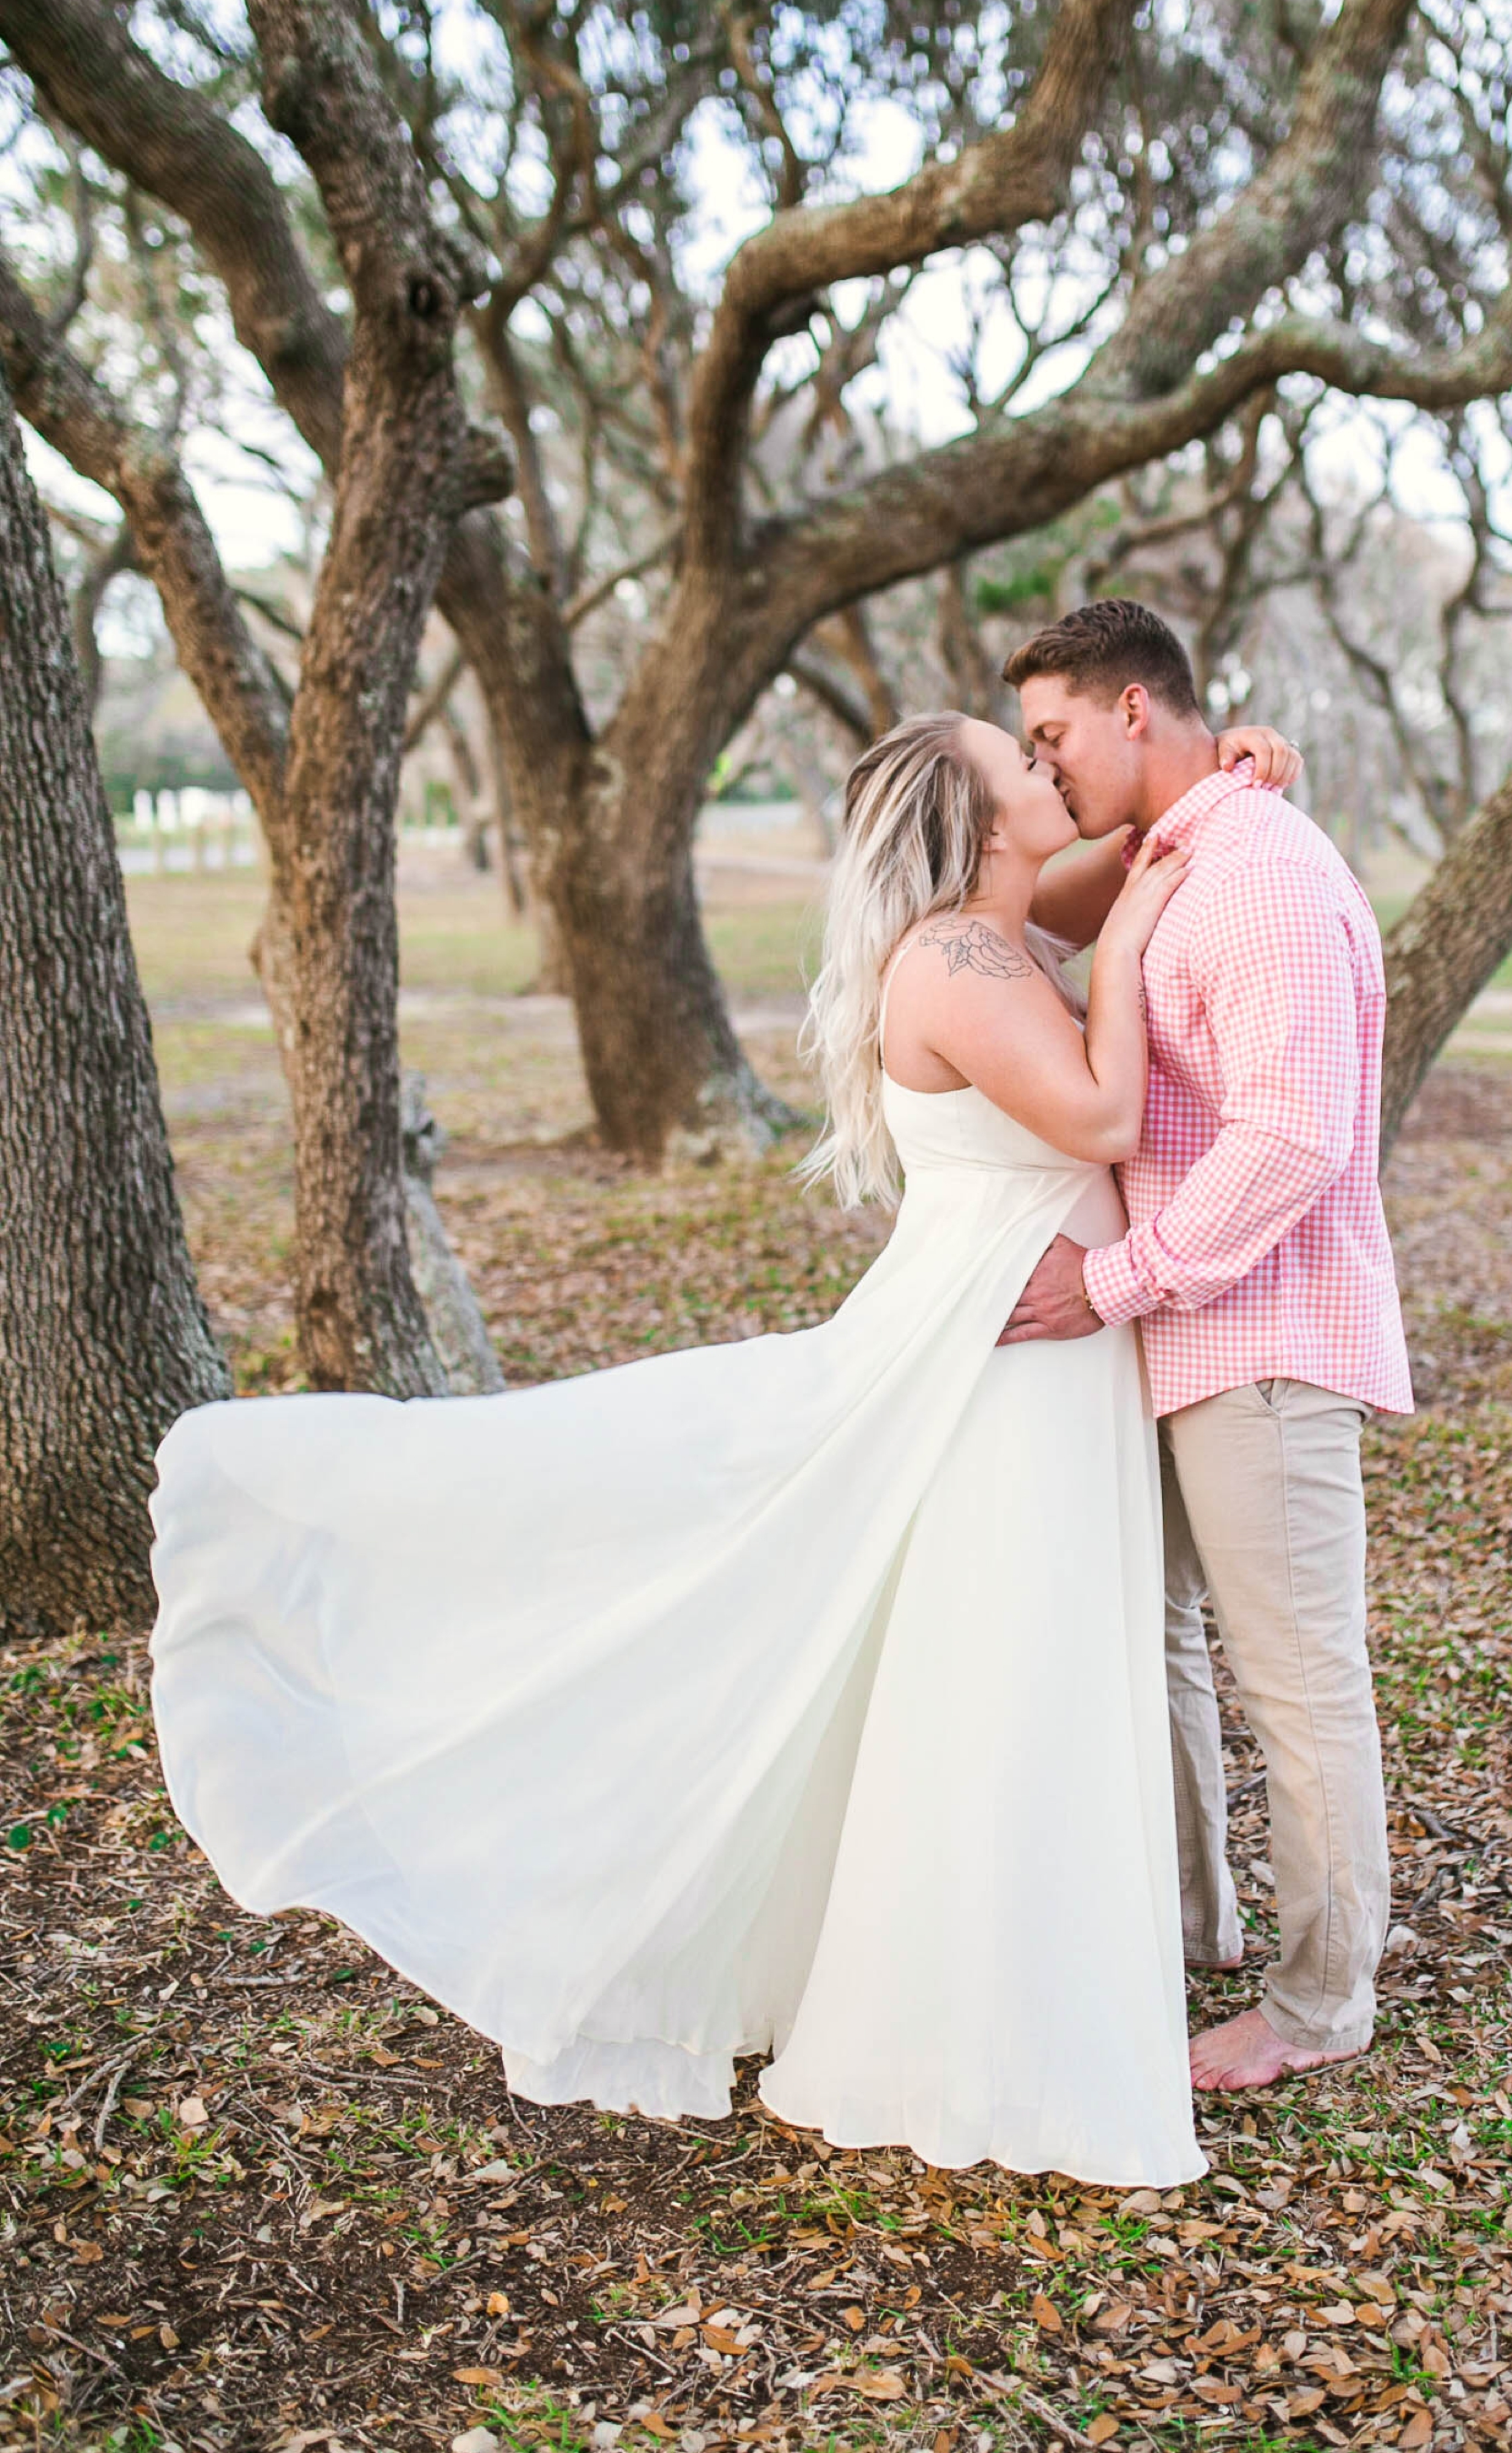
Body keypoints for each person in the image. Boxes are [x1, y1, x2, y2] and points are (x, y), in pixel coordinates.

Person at [148, 706, 1297, 2187]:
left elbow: (1140, 847)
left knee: (1016, 1656)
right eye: (1023, 763)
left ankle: (1027, 1963)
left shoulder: (1009, 924)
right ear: (974, 817)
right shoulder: (953, 961)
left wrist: (1228, 774)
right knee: (999, 1654)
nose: (1047, 768)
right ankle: (972, 2022)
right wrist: (1134, 941)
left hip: (1045, 1347)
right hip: (997, 1361)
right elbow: (1101, 1111)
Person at [1001, 600, 1412, 2093]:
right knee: (1162, 1635)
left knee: (1298, 1679)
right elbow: (1021, 897)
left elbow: (1294, 1137)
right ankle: (1195, 1921)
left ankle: (1321, 2003)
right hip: (1185, 1332)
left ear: (1131, 710)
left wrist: (1116, 1279)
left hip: (1266, 1336)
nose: (1044, 775)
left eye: (1054, 738)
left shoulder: (1259, 881)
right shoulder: (1171, 852)